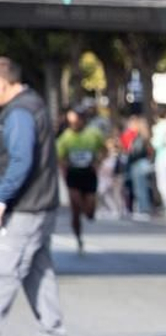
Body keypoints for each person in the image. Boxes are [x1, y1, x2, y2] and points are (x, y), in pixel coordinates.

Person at [0, 59, 68, 336]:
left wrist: (2, 197)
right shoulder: (33, 103)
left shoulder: (19, 112)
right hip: (41, 202)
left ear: (3, 83)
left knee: (6, 269)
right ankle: (52, 335)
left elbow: (20, 160)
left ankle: (53, 335)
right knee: (38, 270)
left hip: (28, 206)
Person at [56, 107, 105, 253]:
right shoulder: (65, 137)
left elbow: (104, 150)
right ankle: (78, 237)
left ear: (82, 120)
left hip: (88, 174)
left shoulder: (93, 134)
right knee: (75, 207)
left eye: (76, 121)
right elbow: (60, 157)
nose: (74, 125)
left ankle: (89, 210)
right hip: (74, 175)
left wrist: (98, 162)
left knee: (89, 212)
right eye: (70, 122)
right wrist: (64, 168)